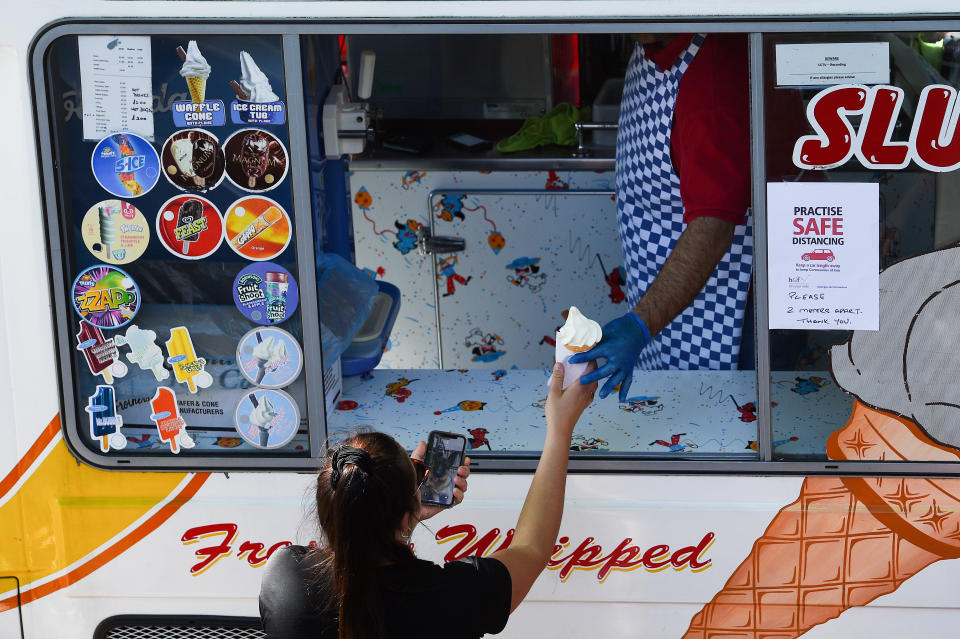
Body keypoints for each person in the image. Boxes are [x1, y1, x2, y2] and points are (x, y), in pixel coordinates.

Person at [259, 361, 597, 639]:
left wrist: (399, 514)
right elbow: (532, 550)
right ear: (404, 517)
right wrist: (560, 427)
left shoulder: (286, 577)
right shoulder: (448, 598)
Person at [571, 33, 752, 401]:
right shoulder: (654, 45)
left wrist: (640, 324)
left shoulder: (711, 77)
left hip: (721, 316)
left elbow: (714, 225)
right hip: (668, 309)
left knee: (725, 429)